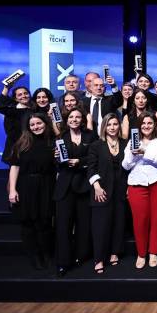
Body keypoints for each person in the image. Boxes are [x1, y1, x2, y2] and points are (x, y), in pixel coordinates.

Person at [122, 112, 157, 269]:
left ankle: (154, 252)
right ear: (139, 125)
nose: (146, 126)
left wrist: (144, 151)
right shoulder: (133, 141)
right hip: (137, 183)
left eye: (150, 123)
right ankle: (141, 253)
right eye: (143, 123)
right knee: (140, 221)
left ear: (155, 124)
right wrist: (132, 154)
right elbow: (125, 165)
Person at [7, 113, 56, 270]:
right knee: (28, 224)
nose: (36, 127)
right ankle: (35, 256)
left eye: (39, 123)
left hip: (46, 186)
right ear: (28, 127)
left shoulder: (53, 143)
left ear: (45, 123)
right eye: (32, 124)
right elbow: (15, 167)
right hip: (26, 187)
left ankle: (46, 254)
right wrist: (12, 190)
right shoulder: (21, 143)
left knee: (45, 222)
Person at [53, 107, 97, 277]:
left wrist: (80, 161)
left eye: (78, 117)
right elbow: (56, 162)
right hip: (64, 188)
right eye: (71, 117)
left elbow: (94, 158)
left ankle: (81, 256)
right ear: (66, 120)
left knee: (83, 224)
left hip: (84, 185)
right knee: (63, 226)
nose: (74, 119)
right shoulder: (60, 137)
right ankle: (63, 262)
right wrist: (56, 158)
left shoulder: (90, 136)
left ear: (82, 120)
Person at [87, 113, 128, 274]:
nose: (112, 127)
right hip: (101, 190)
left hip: (120, 189)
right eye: (109, 124)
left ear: (119, 126)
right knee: (100, 226)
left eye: (115, 124)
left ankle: (114, 252)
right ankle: (99, 259)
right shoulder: (96, 145)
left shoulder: (125, 144)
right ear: (104, 127)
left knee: (118, 222)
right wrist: (96, 186)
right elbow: (91, 168)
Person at [0, 84, 33, 166]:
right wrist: (6, 88)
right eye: (20, 95)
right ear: (15, 98)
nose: (23, 96)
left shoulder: (35, 110)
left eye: (26, 93)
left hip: (32, 148)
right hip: (16, 149)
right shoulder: (12, 111)